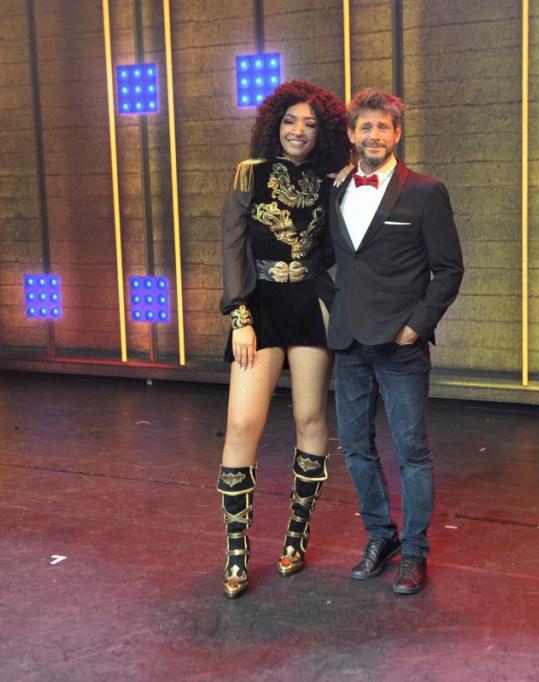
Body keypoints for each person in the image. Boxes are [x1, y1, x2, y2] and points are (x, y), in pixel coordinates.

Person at [325, 88, 464, 595]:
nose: (374, 135)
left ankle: (415, 552)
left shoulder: (426, 192)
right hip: (349, 344)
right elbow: (326, 260)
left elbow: (449, 270)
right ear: (351, 134)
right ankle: (380, 536)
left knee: (411, 451)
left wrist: (416, 326)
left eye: (383, 126)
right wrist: (336, 304)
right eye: (365, 126)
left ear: (397, 133)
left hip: (401, 347)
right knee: (356, 448)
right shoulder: (335, 190)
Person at [217, 81, 350, 599]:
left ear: (324, 133)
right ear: (275, 124)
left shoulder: (329, 182)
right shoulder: (249, 173)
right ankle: (236, 550)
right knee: (241, 424)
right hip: (260, 307)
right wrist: (240, 317)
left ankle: (297, 535)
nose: (299, 131)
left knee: (311, 419)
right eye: (291, 121)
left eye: (311, 124)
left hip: (309, 303)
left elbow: (336, 248)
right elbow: (232, 247)